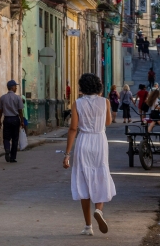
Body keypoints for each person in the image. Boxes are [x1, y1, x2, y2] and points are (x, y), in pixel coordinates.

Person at [63, 73, 116, 236]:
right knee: (100, 175)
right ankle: (99, 210)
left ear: (82, 87)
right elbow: (108, 122)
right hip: (100, 140)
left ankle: (88, 226)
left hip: (84, 141)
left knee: (83, 181)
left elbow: (73, 128)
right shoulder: (105, 102)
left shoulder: (77, 103)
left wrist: (67, 154)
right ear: (98, 87)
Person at [0, 80, 25, 163]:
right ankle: (13, 157)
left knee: (6, 137)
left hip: (7, 119)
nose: (16, 88)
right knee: (15, 139)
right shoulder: (17, 98)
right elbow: (20, 111)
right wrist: (22, 121)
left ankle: (7, 149)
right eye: (15, 86)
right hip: (15, 119)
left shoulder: (3, 97)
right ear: (12, 87)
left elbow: (1, 110)